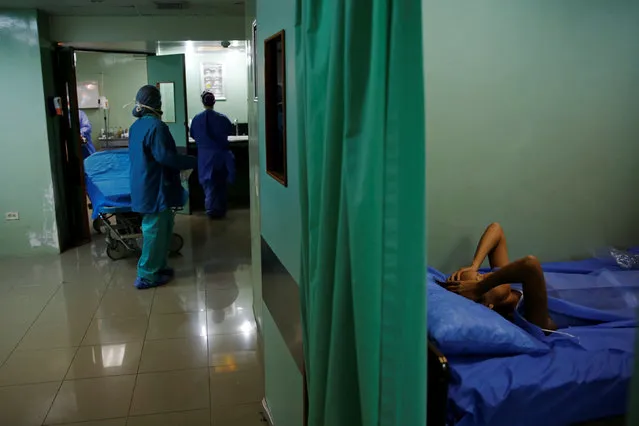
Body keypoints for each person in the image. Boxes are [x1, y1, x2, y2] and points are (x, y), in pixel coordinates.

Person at [128, 85, 196, 289]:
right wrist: (190, 161)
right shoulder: (156, 127)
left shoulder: (137, 126)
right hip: (154, 186)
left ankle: (159, 266)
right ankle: (146, 275)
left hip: (146, 182)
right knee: (154, 231)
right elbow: (165, 156)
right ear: (156, 103)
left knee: (164, 228)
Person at [444, 222, 557, 331]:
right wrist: (480, 287)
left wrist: (474, 265)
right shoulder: (531, 317)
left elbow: (496, 229)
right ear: (488, 305)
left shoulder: (506, 281)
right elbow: (530, 265)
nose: (489, 275)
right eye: (480, 279)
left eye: (480, 274)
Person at [189, 91, 235, 219]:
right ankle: (220, 210)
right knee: (221, 184)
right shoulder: (223, 118)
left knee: (208, 185)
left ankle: (211, 210)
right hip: (221, 156)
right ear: (214, 102)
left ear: (203, 102)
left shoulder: (197, 119)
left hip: (205, 157)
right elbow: (229, 131)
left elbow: (193, 135)